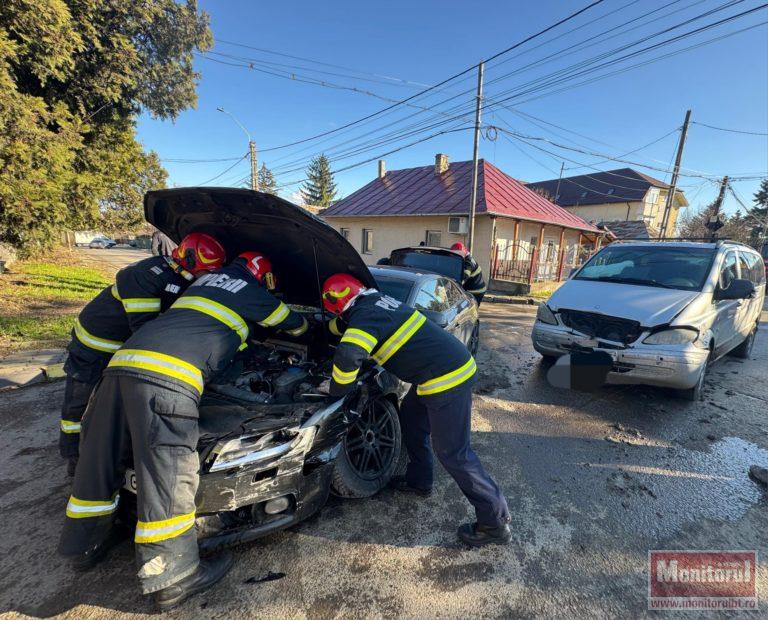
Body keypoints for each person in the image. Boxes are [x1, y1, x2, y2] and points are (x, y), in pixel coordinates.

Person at [58, 251, 308, 610]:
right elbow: (294, 324)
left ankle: (83, 546)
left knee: (99, 459)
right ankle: (174, 577)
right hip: (168, 376)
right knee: (170, 472)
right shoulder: (251, 289)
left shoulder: (199, 284)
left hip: (119, 367)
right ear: (262, 276)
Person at [322, 273, 510, 547]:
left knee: (454, 453)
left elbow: (349, 355)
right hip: (437, 373)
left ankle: (495, 523)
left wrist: (335, 391)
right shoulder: (375, 301)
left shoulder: (365, 317)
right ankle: (420, 481)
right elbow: (341, 327)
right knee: (411, 420)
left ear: (338, 304)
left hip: (447, 378)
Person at [59, 233, 226, 474]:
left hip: (123, 349)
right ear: (189, 259)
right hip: (94, 346)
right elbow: (144, 329)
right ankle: (74, 460)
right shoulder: (143, 276)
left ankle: (116, 450)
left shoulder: (179, 276)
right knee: (78, 405)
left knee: (115, 405)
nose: (207, 277)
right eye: (206, 271)